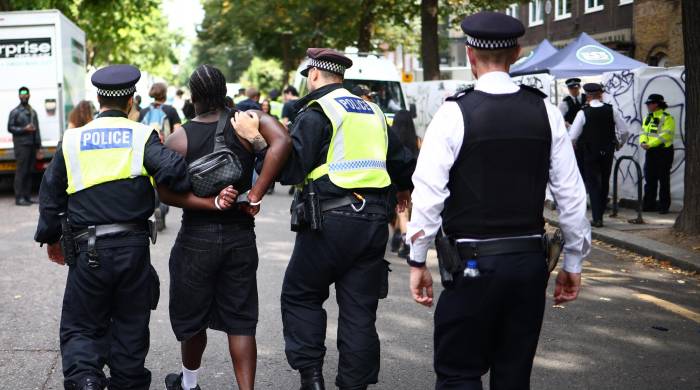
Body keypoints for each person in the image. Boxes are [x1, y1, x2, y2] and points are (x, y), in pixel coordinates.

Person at [407, 12, 591, 389]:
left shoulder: (453, 112)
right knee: (513, 374)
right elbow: (571, 195)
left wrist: (417, 258)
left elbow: (428, 194)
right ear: (518, 53)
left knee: (459, 372)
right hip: (527, 264)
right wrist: (573, 260)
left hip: (471, 263)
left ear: (470, 55)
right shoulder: (545, 111)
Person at [34, 64, 239, 390]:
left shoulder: (72, 139)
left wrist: (50, 238)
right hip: (132, 249)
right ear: (131, 100)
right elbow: (176, 174)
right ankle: (127, 382)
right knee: (131, 323)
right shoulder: (142, 135)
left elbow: (50, 193)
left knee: (82, 325)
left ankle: (86, 380)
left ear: (98, 98)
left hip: (89, 249)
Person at [235, 47, 415, 390]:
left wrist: (256, 139)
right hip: (374, 221)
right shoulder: (373, 110)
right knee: (360, 310)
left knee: (300, 294)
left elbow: (289, 171)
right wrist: (403, 188)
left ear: (314, 75)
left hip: (329, 222)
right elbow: (403, 159)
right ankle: (354, 384)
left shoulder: (318, 111)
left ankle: (311, 377)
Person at [160, 64, 291, 390]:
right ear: (223, 92)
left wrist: (207, 203)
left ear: (193, 96)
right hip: (240, 236)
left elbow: (163, 191)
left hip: (196, 239)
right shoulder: (247, 121)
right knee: (241, 322)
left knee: (193, 320)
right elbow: (283, 142)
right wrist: (256, 193)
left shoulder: (180, 137)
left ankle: (188, 384)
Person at [569, 83, 629, 227]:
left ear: (588, 96)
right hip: (608, 151)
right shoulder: (611, 110)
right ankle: (600, 213)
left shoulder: (583, 112)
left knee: (593, 183)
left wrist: (574, 147)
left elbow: (572, 136)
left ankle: (597, 218)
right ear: (600, 94)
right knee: (604, 181)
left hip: (589, 152)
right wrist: (619, 144)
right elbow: (624, 131)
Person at [388, 110, 420, 258]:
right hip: (412, 180)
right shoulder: (417, 140)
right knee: (405, 211)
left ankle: (404, 241)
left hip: (394, 180)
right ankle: (400, 239)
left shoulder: (392, 138)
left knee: (401, 212)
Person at [640, 93, 676, 214]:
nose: (648, 106)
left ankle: (663, 206)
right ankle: (648, 204)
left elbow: (665, 135)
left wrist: (650, 144)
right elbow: (643, 132)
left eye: (650, 103)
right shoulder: (648, 117)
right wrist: (643, 142)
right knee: (650, 179)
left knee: (663, 180)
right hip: (650, 151)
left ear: (657, 104)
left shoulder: (667, 118)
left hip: (663, 152)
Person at [7, 86, 41, 206]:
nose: (24, 95)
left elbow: (37, 131)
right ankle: (19, 198)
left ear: (29, 95)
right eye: (22, 93)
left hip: (31, 145)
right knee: (21, 172)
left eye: (26, 93)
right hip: (21, 146)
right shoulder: (15, 112)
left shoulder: (33, 112)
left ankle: (26, 196)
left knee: (29, 171)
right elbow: (10, 127)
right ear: (19, 96)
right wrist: (24, 129)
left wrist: (38, 147)